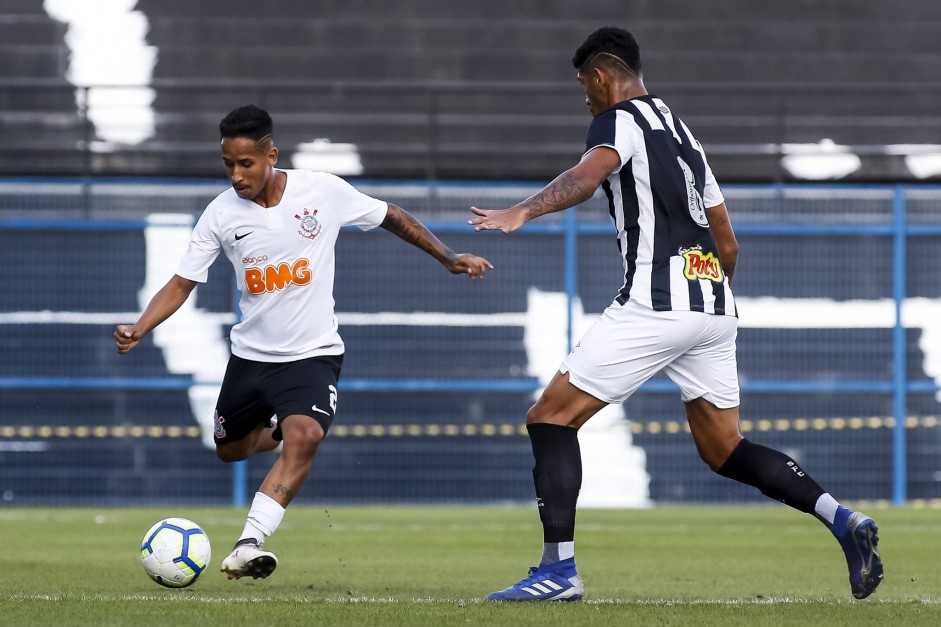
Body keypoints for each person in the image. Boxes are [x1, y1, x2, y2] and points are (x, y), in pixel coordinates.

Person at [469, 26, 883, 602]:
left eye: (584, 86)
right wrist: (707, 306)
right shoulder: (683, 133)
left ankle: (557, 572)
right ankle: (843, 520)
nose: (585, 98)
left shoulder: (618, 120)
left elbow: (586, 179)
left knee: (550, 417)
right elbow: (728, 244)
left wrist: (520, 211)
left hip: (656, 302)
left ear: (601, 76)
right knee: (725, 449)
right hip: (713, 303)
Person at [115, 104, 493, 581]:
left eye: (245, 163)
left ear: (271, 155)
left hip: (313, 356)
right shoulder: (219, 215)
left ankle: (248, 544)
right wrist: (141, 326)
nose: (236, 175)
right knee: (228, 449)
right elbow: (181, 283)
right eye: (228, 164)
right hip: (251, 360)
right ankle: (276, 429)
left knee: (307, 435)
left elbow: (389, 215)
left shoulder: (321, 191)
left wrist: (448, 256)